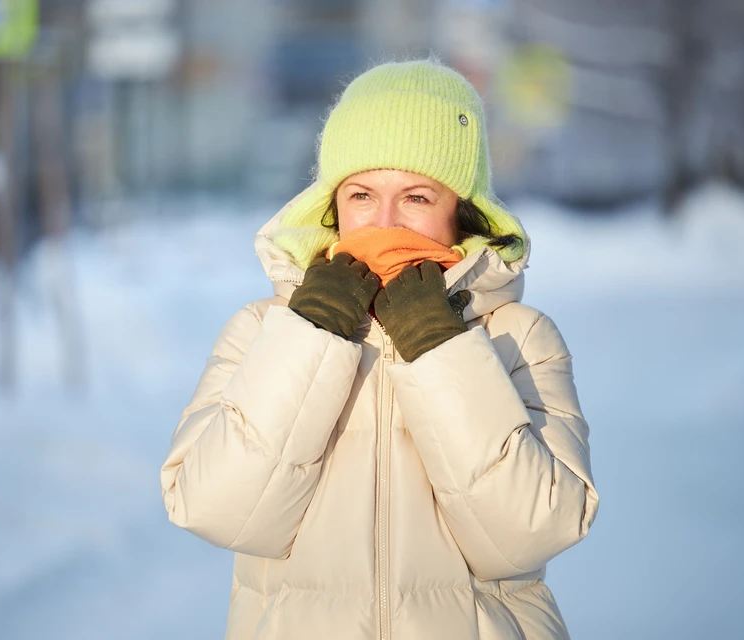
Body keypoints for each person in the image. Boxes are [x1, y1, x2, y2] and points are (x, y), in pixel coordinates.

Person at [161, 58, 599, 640]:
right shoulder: (263, 330)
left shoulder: (518, 337)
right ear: (333, 205)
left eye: (416, 197)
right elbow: (216, 509)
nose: (384, 221)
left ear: (461, 211)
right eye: (362, 194)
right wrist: (310, 335)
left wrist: (441, 348)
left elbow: (532, 529)